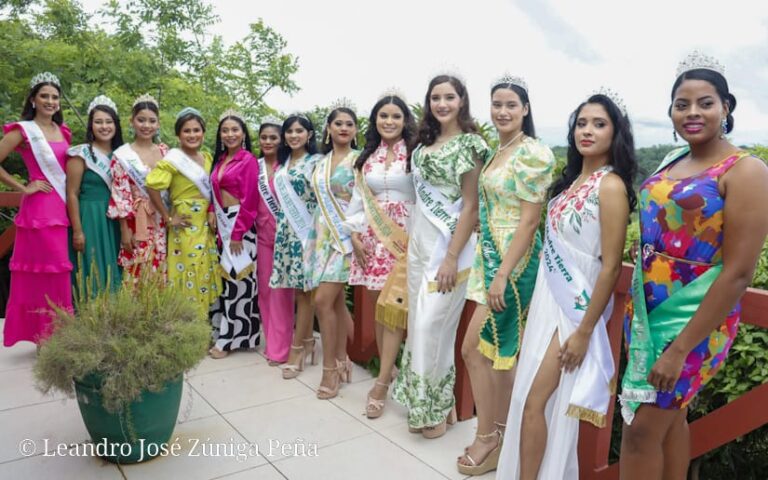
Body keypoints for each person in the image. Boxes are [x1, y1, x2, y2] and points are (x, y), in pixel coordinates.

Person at [619, 51, 768, 480]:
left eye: (706, 102)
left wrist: (680, 349)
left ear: (727, 107)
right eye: (682, 104)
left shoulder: (745, 171)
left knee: (639, 433)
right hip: (647, 308)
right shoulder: (670, 159)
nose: (693, 112)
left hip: (693, 320)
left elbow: (739, 272)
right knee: (671, 421)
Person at [498, 89, 637, 480]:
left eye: (599, 124)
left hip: (574, 311)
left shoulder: (610, 187)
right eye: (581, 123)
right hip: (548, 299)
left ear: (616, 133)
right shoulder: (572, 181)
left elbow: (610, 268)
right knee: (530, 397)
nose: (587, 131)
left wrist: (584, 331)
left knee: (534, 401)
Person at [459, 75, 555, 475]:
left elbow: (530, 221)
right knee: (488, 353)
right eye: (497, 104)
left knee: (484, 350)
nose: (503, 111)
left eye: (511, 104)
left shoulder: (533, 153)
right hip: (488, 259)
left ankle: (495, 436)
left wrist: (503, 275)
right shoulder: (499, 151)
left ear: (525, 109)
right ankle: (501, 434)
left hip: (513, 264)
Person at [392, 74, 490, 438]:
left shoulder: (471, 145)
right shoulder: (422, 145)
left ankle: (433, 408)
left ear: (462, 100)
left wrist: (450, 257)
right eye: (436, 97)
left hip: (452, 251)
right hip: (420, 245)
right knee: (421, 327)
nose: (442, 104)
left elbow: (470, 207)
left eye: (450, 97)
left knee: (431, 327)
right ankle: (438, 406)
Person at [345, 93, 417, 418]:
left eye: (395, 116)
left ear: (405, 121)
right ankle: (389, 371)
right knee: (379, 310)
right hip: (374, 240)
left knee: (396, 309)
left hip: (406, 237)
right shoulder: (367, 157)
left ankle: (383, 381)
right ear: (375, 120)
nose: (389, 122)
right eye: (383, 116)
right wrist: (355, 234)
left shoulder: (416, 154)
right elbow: (360, 199)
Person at [0, 72, 72, 346]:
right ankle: (44, 336)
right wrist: (23, 188)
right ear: (33, 99)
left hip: (61, 206)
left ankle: (58, 333)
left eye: (55, 97)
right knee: (42, 271)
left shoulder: (62, 131)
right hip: (39, 209)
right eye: (44, 96)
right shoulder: (22, 130)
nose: (50, 101)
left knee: (58, 272)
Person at [307, 101, 359, 399]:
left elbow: (363, 201)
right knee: (336, 303)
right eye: (338, 123)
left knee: (323, 301)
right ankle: (343, 361)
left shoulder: (358, 160)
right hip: (322, 236)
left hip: (345, 238)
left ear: (355, 130)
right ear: (329, 128)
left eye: (349, 124)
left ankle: (329, 370)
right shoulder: (320, 162)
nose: (343, 128)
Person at [146, 107, 220, 317]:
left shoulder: (207, 157)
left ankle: (204, 324)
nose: (192, 135)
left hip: (206, 224)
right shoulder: (173, 159)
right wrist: (169, 217)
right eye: (187, 131)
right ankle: (186, 325)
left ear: (203, 133)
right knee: (187, 273)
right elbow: (152, 186)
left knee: (204, 272)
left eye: (196, 130)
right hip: (185, 225)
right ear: (178, 134)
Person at [270, 113, 321, 378]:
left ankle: (297, 349)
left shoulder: (317, 162)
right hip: (287, 231)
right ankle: (308, 340)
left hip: (308, 232)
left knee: (306, 292)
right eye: (289, 131)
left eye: (299, 131)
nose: (293, 135)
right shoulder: (284, 163)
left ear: (309, 134)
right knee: (299, 292)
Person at [208, 110, 261, 358]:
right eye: (225, 130)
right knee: (227, 283)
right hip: (222, 224)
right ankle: (235, 334)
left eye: (235, 130)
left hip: (240, 227)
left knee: (238, 282)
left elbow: (250, 200)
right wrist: (211, 211)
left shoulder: (248, 160)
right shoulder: (219, 160)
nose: (230, 134)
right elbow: (214, 191)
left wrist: (238, 233)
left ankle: (229, 340)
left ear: (243, 133)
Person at [66, 95, 123, 295]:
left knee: (116, 268)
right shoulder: (81, 154)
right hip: (90, 217)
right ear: (91, 125)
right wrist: (77, 230)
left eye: (109, 122)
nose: (104, 126)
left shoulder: (123, 154)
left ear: (116, 125)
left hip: (117, 219)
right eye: (98, 122)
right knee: (94, 268)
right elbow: (72, 193)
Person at [107, 94, 167, 277]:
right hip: (135, 223)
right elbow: (121, 195)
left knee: (160, 273)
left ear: (158, 124)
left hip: (160, 221)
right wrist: (125, 231)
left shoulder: (166, 152)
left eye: (151, 121)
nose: (146, 126)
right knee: (136, 275)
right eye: (141, 120)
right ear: (132, 121)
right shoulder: (122, 156)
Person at [254, 115, 295, 365]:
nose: (268, 141)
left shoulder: (288, 166)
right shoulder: (255, 166)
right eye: (264, 137)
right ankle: (272, 341)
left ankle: (281, 348)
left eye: (273, 137)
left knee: (282, 292)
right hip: (261, 234)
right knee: (266, 291)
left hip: (285, 235)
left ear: (281, 140)